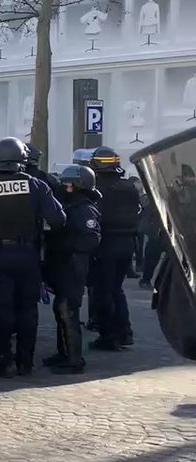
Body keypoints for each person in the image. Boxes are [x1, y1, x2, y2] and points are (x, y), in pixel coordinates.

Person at [0, 137, 65, 377]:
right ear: (22, 158)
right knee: (28, 309)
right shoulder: (37, 185)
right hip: (28, 255)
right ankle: (25, 362)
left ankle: (2, 361)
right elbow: (58, 219)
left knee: (0, 309)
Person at [43, 165, 102, 375]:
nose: (65, 186)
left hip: (74, 265)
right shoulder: (70, 204)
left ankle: (75, 359)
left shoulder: (84, 208)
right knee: (60, 308)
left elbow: (91, 238)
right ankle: (64, 352)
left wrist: (63, 243)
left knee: (68, 310)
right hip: (63, 264)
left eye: (68, 183)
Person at [88, 147, 142, 351]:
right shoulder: (128, 186)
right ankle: (125, 332)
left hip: (106, 245)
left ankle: (109, 336)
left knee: (103, 292)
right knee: (117, 289)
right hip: (127, 244)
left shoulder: (98, 187)